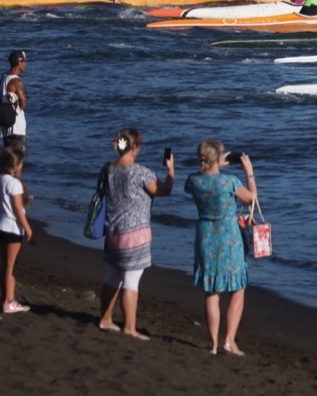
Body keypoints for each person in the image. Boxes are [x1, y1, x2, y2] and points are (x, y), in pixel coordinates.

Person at [98, 128, 174, 340]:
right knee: (131, 280)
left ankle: (105, 318)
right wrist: (171, 172)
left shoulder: (108, 169)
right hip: (135, 233)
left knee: (112, 276)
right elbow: (164, 190)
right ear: (134, 148)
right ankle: (129, 327)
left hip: (113, 230)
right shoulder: (141, 172)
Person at [185, 139, 257, 356]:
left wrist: (215, 165)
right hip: (228, 236)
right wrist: (249, 172)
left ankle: (213, 343)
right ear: (218, 157)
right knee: (238, 287)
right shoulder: (230, 182)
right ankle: (229, 341)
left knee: (211, 290)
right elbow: (252, 198)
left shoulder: (193, 181)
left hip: (206, 235)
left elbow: (203, 179)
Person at [0, 144, 33, 314]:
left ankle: (5, 298)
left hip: (0, 225)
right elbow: (18, 209)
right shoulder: (14, 184)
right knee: (11, 266)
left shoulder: (1, 180)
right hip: (11, 227)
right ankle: (9, 300)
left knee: (5, 265)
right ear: (15, 165)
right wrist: (29, 230)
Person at [0, 50, 28, 156]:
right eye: (24, 61)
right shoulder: (16, 81)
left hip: (6, 125)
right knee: (17, 161)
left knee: (7, 159)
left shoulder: (4, 77)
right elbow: (23, 105)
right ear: (19, 63)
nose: (26, 64)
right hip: (16, 125)